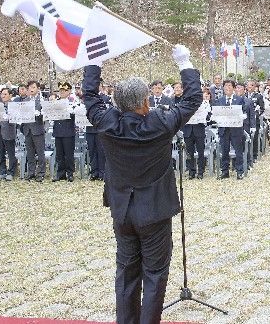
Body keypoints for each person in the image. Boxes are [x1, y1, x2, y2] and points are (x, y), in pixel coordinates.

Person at [83, 44, 202, 324]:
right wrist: (184, 63)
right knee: (155, 275)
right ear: (144, 103)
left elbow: (89, 96)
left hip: (122, 211)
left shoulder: (106, 122)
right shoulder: (159, 123)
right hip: (155, 212)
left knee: (126, 273)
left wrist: (95, 61)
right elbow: (192, 99)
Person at [212, 79, 246, 179]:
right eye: (226, 86)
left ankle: (239, 171)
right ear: (223, 88)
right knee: (224, 151)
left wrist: (241, 116)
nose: (227, 87)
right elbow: (216, 113)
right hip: (224, 129)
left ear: (234, 88)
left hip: (236, 129)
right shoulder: (220, 100)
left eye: (230, 85)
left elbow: (244, 112)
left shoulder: (239, 99)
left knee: (238, 151)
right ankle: (225, 171)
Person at [19, 80, 47, 182]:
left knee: (40, 153)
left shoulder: (42, 100)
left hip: (38, 129)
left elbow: (47, 114)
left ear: (38, 89)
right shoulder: (25, 100)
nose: (31, 89)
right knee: (30, 153)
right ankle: (31, 172)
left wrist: (40, 114)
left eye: (33, 87)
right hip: (27, 129)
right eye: (30, 87)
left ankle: (41, 173)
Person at [52, 82, 77, 182]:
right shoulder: (55, 102)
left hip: (68, 130)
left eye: (65, 90)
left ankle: (70, 173)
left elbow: (77, 114)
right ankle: (60, 173)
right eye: (61, 90)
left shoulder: (73, 102)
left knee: (69, 154)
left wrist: (72, 111)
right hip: (58, 130)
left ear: (69, 91)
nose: (62, 92)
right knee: (59, 154)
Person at [86, 78, 110, 181]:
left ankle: (102, 172)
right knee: (92, 150)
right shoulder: (86, 98)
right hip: (89, 128)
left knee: (101, 151)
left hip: (101, 128)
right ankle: (94, 172)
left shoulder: (105, 98)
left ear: (101, 86)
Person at [184, 88, 210, 179]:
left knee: (201, 152)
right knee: (189, 153)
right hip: (188, 130)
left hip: (199, 129)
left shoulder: (204, 103)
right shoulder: (185, 102)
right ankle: (191, 172)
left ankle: (201, 172)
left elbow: (207, 116)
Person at [0, 87, 17, 181]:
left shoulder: (14, 105)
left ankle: (11, 172)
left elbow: (16, 118)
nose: (3, 96)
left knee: (11, 154)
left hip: (9, 131)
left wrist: (9, 117)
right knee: (0, 153)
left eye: (5, 94)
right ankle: (2, 172)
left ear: (10, 95)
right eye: (2, 94)